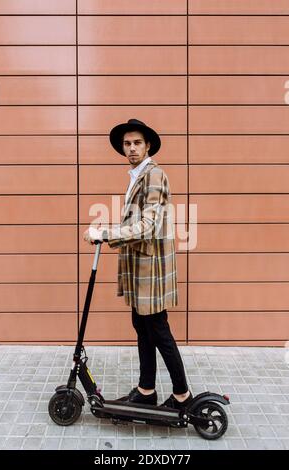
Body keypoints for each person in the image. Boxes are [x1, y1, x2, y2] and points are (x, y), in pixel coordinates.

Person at [83, 118, 193, 410]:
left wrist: (104, 233)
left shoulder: (155, 176)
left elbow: (148, 226)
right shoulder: (137, 175)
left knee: (158, 329)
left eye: (137, 143)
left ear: (147, 146)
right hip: (139, 267)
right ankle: (146, 390)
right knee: (142, 325)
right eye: (127, 144)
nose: (131, 148)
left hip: (151, 269)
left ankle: (182, 395)